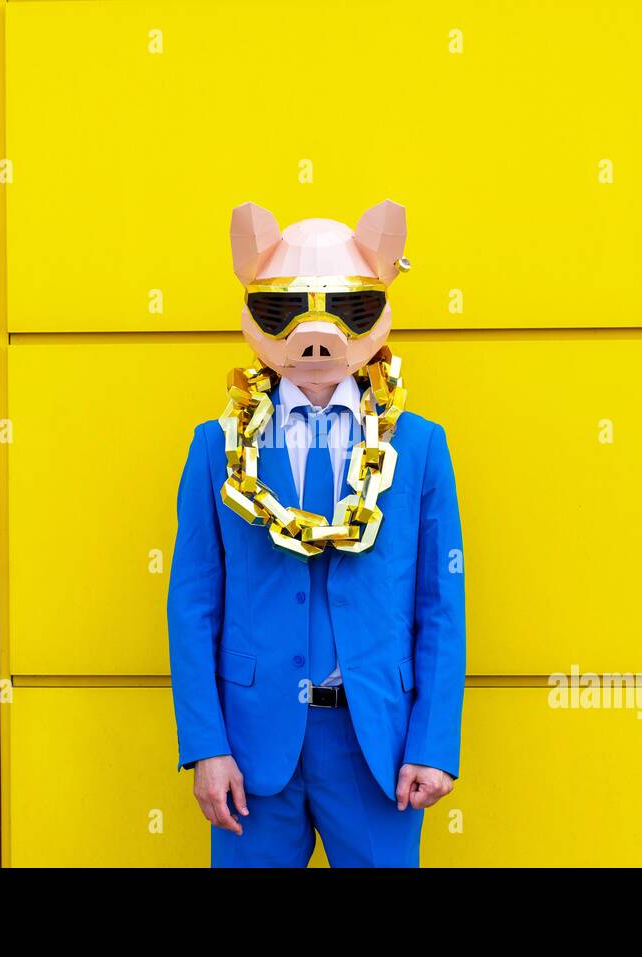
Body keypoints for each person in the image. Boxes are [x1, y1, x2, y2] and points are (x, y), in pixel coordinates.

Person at [167, 200, 466, 867]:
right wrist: (206, 744)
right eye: (288, 311)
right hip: (250, 745)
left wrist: (433, 742)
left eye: (342, 309)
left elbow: (440, 605)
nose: (315, 334)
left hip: (377, 743)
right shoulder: (216, 447)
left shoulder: (418, 447)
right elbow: (192, 603)